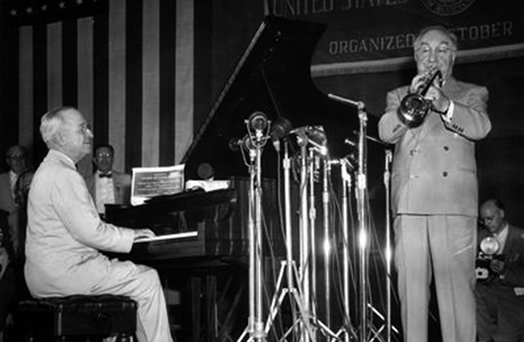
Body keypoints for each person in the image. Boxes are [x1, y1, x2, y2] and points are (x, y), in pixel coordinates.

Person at [378, 26, 491, 342]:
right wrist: (413, 99)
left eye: (442, 49)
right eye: (425, 50)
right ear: (416, 56)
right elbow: (386, 132)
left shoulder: (472, 92)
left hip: (452, 206)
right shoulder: (399, 95)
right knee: (412, 298)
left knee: (457, 298)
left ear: (453, 56)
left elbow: (481, 127)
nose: (432, 57)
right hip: (411, 204)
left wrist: (444, 104)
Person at [25, 106, 174, 342]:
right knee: (148, 279)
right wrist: (132, 235)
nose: (91, 135)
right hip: (67, 273)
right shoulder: (65, 174)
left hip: (43, 275)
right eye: (83, 129)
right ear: (62, 138)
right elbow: (91, 232)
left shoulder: (48, 169)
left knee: (131, 275)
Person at [476, 198, 524, 342]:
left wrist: (504, 273)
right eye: (483, 220)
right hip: (485, 297)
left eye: (490, 218)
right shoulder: (481, 236)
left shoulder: (520, 238)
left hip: (513, 299)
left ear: (501, 213)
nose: (486, 223)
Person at [85, 144, 132, 217]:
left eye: (108, 155)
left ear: (113, 159)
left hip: (119, 221)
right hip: (94, 222)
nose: (104, 159)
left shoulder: (126, 180)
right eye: (100, 156)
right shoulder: (85, 183)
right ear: (95, 160)